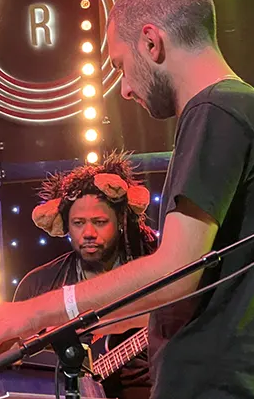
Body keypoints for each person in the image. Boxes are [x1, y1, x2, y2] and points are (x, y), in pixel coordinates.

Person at [0, 0, 254, 398]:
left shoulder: (215, 110)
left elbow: (175, 274)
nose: (123, 89)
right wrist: (53, 327)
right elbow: (203, 290)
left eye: (120, 65)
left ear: (151, 42)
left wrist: (31, 312)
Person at [13, 153, 157, 399]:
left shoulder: (153, 271)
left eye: (99, 222)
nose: (88, 232)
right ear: (66, 226)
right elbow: (16, 365)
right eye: (78, 223)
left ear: (121, 222)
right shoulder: (37, 284)